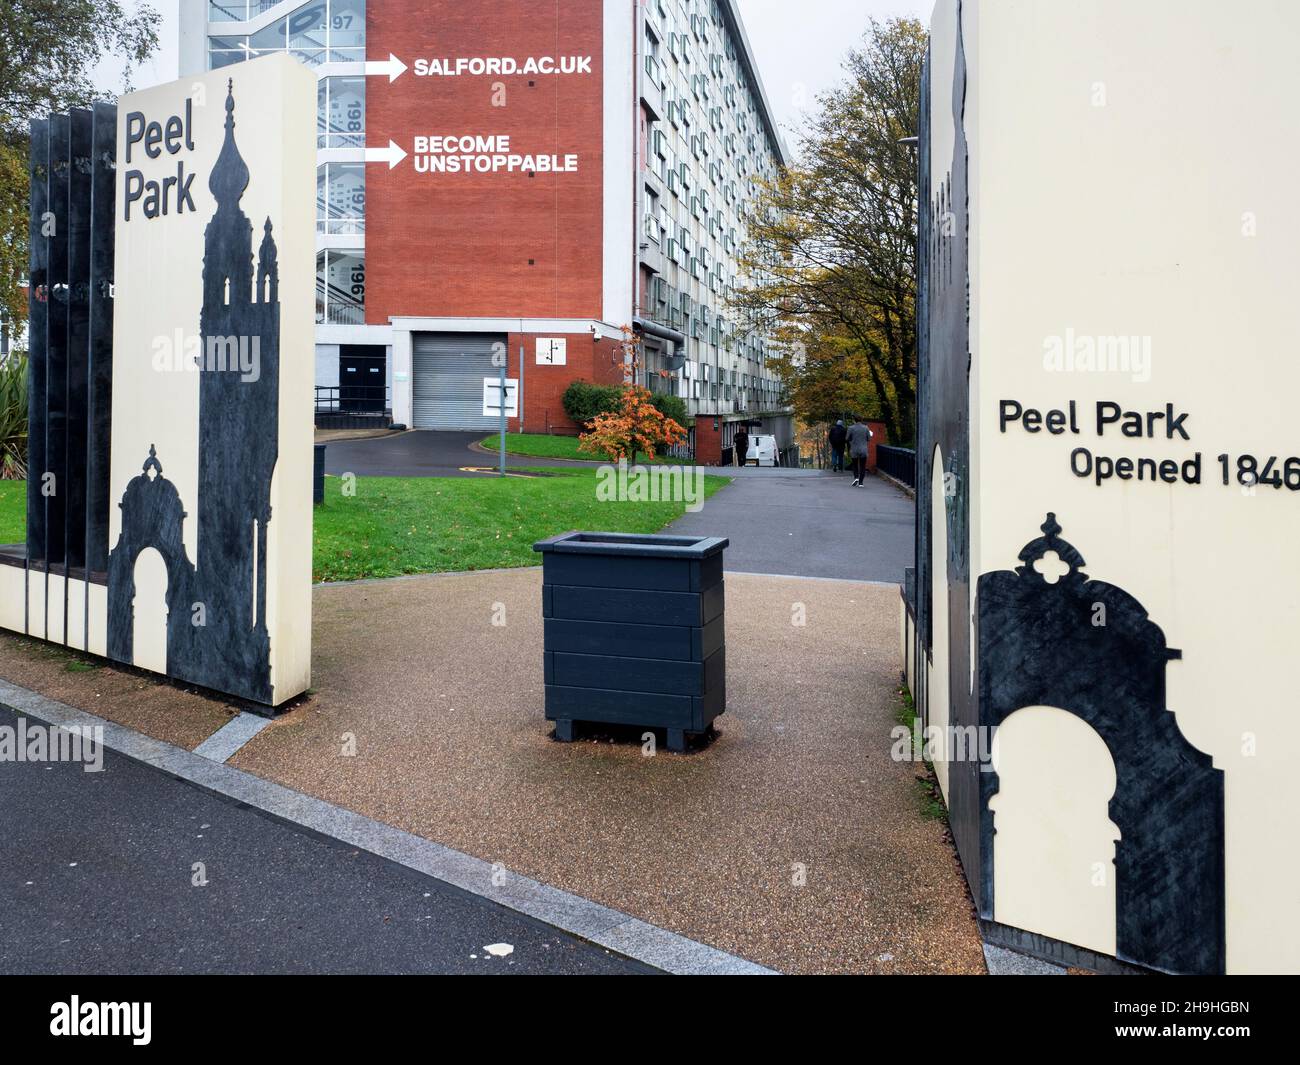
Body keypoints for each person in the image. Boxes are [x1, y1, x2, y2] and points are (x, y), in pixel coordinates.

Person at [845, 416, 874, 486]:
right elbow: (869, 439)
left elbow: (847, 438)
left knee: (855, 465)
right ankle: (861, 483)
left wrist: (852, 440)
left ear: (854, 420)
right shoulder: (866, 428)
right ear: (861, 420)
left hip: (854, 449)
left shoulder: (850, 428)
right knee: (863, 466)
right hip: (863, 449)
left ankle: (856, 477)